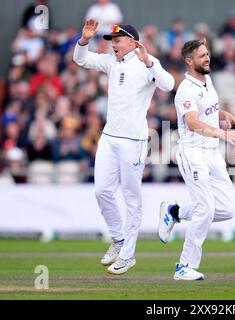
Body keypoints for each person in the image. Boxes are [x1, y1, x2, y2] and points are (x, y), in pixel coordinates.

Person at [73, 19, 175, 275]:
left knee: (131, 197)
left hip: (134, 140)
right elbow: (81, 60)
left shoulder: (146, 62)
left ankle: (128, 255)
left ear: (132, 41)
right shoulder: (111, 62)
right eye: (112, 41)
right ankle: (118, 239)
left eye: (118, 41)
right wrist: (84, 40)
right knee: (102, 191)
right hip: (109, 137)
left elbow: (168, 84)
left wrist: (149, 61)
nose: (113, 45)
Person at [158, 39, 235, 280]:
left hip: (212, 153)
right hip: (193, 152)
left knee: (226, 210)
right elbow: (194, 123)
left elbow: (208, 111)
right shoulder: (185, 89)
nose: (207, 58)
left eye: (207, 54)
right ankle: (184, 266)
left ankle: (175, 211)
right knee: (205, 209)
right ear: (189, 61)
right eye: (202, 56)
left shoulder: (208, 80)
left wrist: (223, 114)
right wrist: (223, 133)